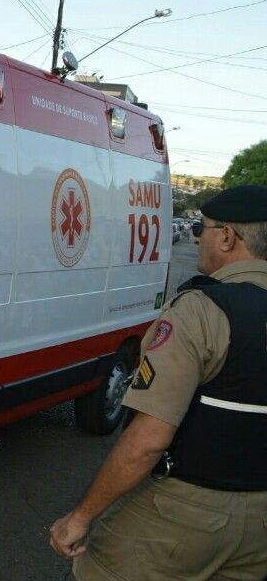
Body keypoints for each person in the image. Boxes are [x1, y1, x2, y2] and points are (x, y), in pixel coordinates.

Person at [50, 185, 267, 581]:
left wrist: (80, 517)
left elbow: (147, 442)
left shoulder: (203, 311)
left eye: (202, 229)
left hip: (187, 516)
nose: (198, 238)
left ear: (226, 236)